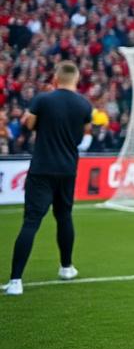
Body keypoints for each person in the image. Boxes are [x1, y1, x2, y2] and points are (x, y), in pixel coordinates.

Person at [5, 61, 91, 296]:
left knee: (31, 221)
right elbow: (82, 135)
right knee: (64, 217)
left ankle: (15, 281)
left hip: (42, 167)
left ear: (56, 78)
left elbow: (29, 124)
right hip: (68, 169)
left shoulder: (43, 99)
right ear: (76, 80)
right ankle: (66, 267)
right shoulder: (84, 104)